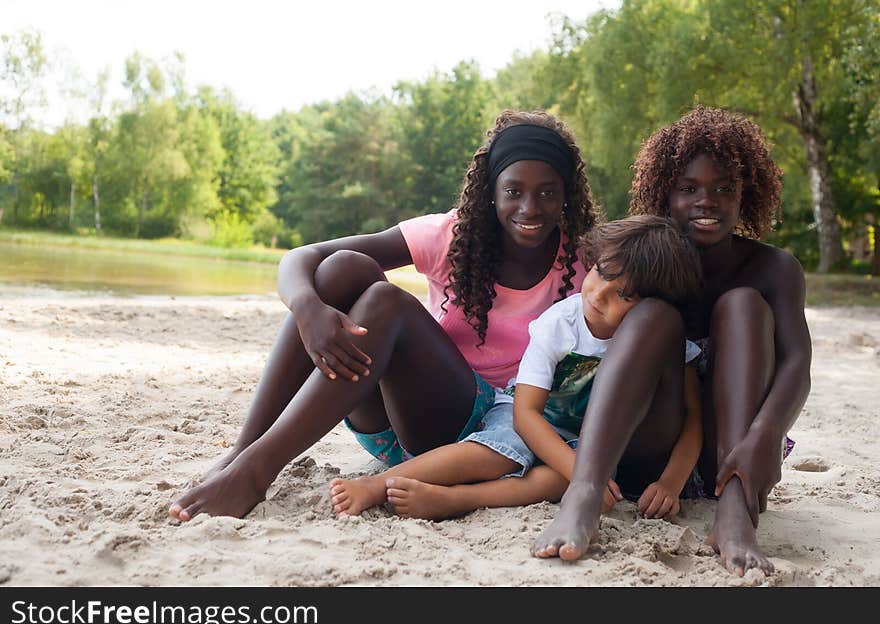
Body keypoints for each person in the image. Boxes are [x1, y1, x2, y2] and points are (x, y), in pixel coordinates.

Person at [167, 109, 598, 522]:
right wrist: (308, 310)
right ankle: (243, 451)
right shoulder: (452, 236)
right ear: (491, 190)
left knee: (386, 304)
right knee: (342, 269)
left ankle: (255, 473)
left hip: (481, 440)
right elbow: (303, 257)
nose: (530, 207)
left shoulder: (584, 260)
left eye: (547, 192)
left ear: (566, 195)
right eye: (513, 191)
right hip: (394, 421)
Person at [532, 106, 811, 578]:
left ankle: (735, 514)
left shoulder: (775, 269)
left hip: (733, 453)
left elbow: (798, 364)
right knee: (655, 313)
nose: (708, 201)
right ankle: (582, 493)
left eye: (725, 189)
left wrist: (766, 434)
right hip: (654, 446)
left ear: (748, 196)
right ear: (665, 193)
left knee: (743, 304)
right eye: (688, 189)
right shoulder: (647, 259)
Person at [330, 215, 705, 522]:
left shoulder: (656, 343)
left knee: (550, 482)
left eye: (624, 295)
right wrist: (581, 474)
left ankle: (456, 501)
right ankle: (378, 484)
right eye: (603, 273)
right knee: (497, 451)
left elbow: (691, 419)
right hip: (526, 416)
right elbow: (526, 414)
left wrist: (671, 483)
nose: (598, 294)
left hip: (589, 444)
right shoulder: (560, 324)